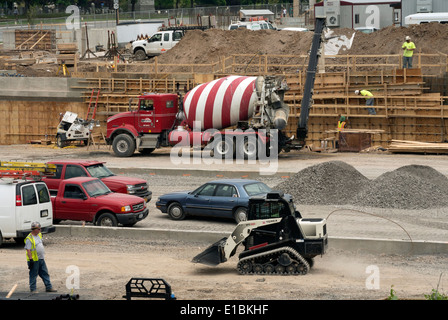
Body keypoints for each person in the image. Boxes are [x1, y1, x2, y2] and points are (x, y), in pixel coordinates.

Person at [24, 222, 56, 293]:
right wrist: (31, 259)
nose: (40, 230)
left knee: (45, 273)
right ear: (34, 229)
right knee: (33, 274)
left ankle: (49, 287)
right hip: (34, 260)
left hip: (41, 259)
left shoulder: (39, 235)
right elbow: (28, 250)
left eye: (40, 228)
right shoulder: (29, 238)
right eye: (38, 229)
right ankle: (33, 289)